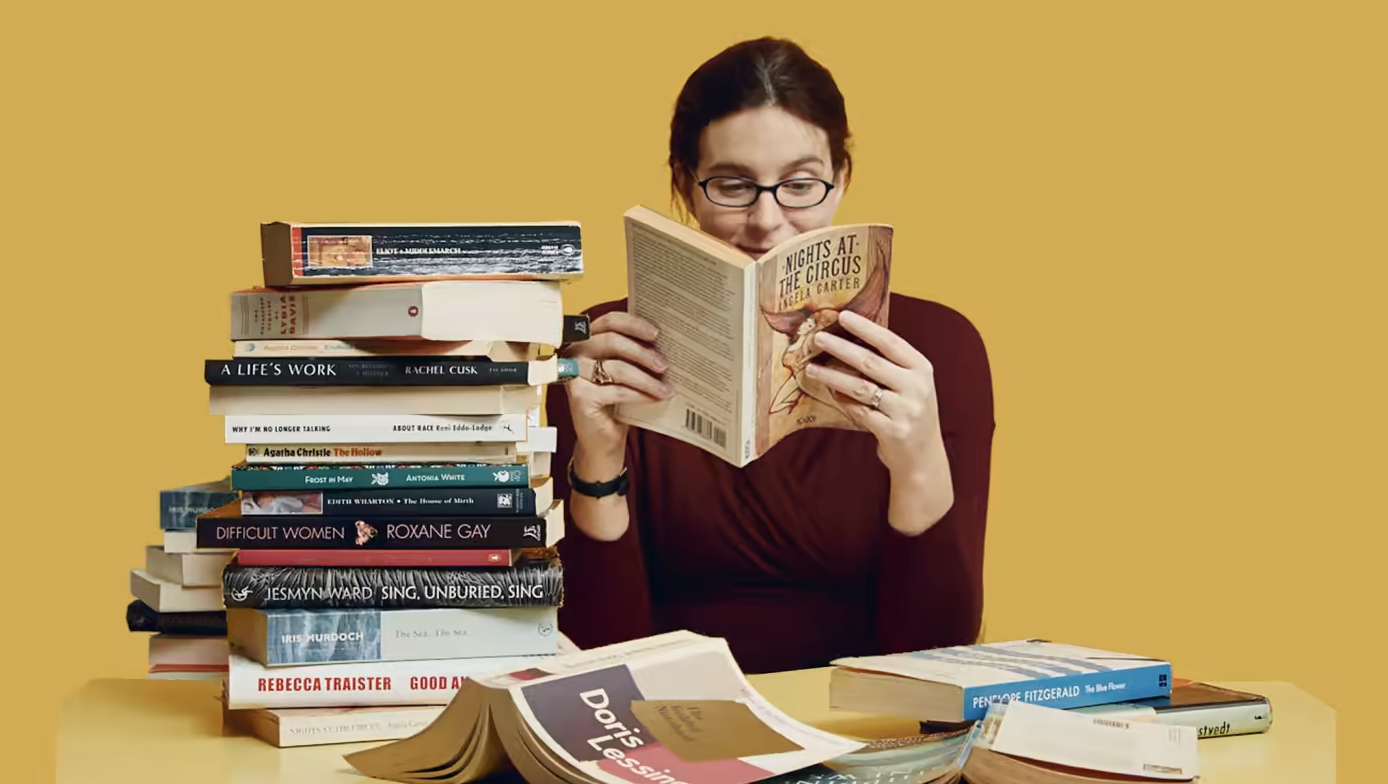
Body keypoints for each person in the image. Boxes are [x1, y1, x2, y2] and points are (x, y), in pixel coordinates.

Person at [547, 37, 995, 674]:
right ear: (685, 185)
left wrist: (918, 459)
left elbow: (941, 657)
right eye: (732, 185)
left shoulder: (941, 349)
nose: (766, 221)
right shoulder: (608, 351)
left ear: (841, 182)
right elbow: (591, 650)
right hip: (667, 721)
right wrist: (598, 463)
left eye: (799, 184)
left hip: (864, 728)